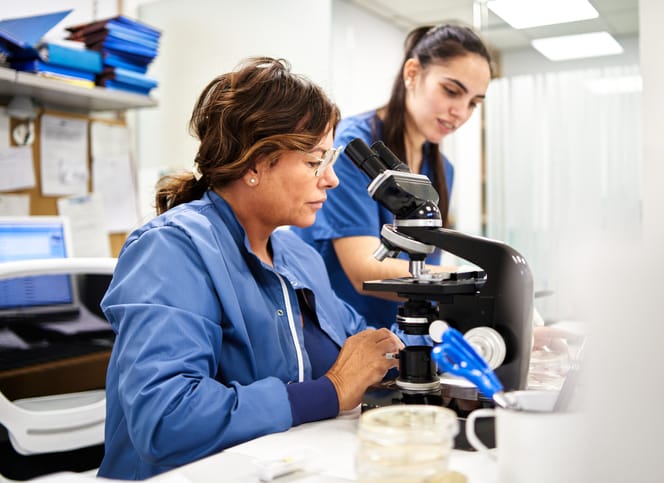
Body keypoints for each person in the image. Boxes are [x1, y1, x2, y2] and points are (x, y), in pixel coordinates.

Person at [97, 57, 406, 480]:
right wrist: (330, 391)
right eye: (315, 161)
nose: (331, 179)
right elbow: (165, 418)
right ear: (255, 164)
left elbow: (359, 343)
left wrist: (439, 344)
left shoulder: (297, 256)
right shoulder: (172, 250)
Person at [293, 24, 493, 329]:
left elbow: (423, 268)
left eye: (474, 103)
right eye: (452, 91)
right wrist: (476, 281)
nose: (461, 112)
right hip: (341, 334)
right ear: (412, 73)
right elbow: (365, 270)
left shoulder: (441, 169)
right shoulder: (352, 147)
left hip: (402, 333)